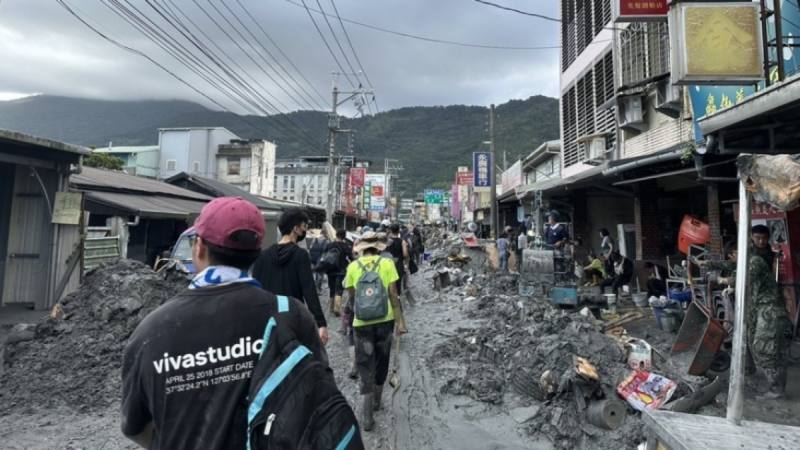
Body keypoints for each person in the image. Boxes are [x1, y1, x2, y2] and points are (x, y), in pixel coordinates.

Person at [121, 197, 327, 449]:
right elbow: (319, 402)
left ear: (199, 247)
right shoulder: (294, 317)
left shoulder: (151, 331)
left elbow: (136, 426)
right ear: (255, 252)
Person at [343, 232, 407, 431]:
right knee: (382, 361)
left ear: (361, 248)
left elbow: (351, 293)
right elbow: (393, 294)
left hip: (361, 324)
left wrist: (360, 309)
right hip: (385, 321)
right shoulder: (387, 264)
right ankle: (378, 402)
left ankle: (367, 416)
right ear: (378, 247)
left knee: (365, 365)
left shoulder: (353, 266)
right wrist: (399, 321)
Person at [251, 208, 329, 345]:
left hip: (268, 321)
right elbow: (309, 291)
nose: (305, 230)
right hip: (293, 320)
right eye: (304, 226)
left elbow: (255, 291)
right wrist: (321, 324)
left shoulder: (262, 256)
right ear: (296, 229)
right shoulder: (301, 255)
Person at [324, 229, 354, 315]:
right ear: (344, 236)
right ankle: (337, 309)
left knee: (332, 288)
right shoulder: (345, 246)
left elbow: (325, 256)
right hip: (341, 271)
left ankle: (331, 308)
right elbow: (351, 258)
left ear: (336, 235)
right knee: (339, 289)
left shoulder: (329, 245)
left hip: (330, 271)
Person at [386, 223, 410, 294]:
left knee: (388, 283)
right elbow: (405, 254)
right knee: (398, 284)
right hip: (398, 265)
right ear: (398, 231)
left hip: (388, 264)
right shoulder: (402, 241)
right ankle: (398, 297)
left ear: (390, 231)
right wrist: (406, 262)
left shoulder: (387, 242)